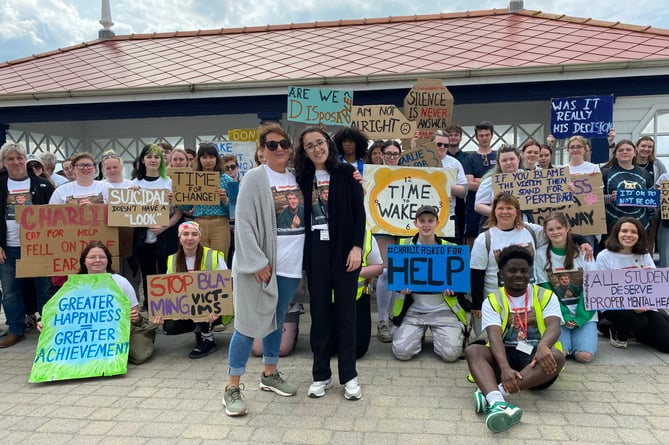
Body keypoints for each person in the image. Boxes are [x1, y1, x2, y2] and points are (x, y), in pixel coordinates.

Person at [223, 123, 302, 417]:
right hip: (261, 266)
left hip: (291, 266)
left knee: (276, 320)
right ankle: (232, 387)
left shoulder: (296, 177)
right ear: (261, 151)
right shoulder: (255, 179)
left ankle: (270, 374)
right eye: (272, 145)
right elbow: (242, 223)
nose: (279, 148)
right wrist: (256, 262)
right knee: (246, 325)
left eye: (283, 144)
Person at [295, 126, 365, 400]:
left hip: (345, 250)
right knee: (320, 313)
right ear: (304, 151)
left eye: (320, 142)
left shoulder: (347, 172)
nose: (316, 148)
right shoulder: (300, 177)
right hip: (315, 250)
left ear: (328, 144)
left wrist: (357, 247)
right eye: (310, 145)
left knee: (346, 314)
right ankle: (321, 374)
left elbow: (360, 213)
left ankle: (349, 376)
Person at [465, 245, 564, 433]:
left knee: (557, 356)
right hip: (505, 355)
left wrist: (544, 346)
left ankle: (494, 395)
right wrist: (503, 368)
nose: (519, 274)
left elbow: (554, 327)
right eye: (512, 270)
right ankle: (498, 401)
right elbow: (493, 336)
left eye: (524, 271)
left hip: (535, 358)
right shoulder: (492, 300)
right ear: (501, 274)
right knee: (473, 350)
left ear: (530, 273)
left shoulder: (545, 295)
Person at [390, 205, 467, 362]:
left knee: (451, 355)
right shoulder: (403, 247)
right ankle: (416, 335)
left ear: (437, 223)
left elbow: (460, 282)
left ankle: (450, 334)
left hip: (443, 310)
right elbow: (397, 278)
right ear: (415, 223)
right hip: (412, 311)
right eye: (422, 221)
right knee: (402, 353)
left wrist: (454, 290)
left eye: (430, 221)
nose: (426, 224)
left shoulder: (451, 249)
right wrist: (401, 290)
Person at [0, 142, 55, 348]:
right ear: (4, 162)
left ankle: (47, 325)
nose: (15, 162)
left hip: (38, 247)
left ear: (25, 159)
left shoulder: (42, 184)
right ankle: (16, 330)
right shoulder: (0, 184)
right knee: (11, 291)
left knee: (45, 289)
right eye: (10, 159)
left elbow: (57, 215)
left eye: (19, 158)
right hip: (9, 247)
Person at [154, 221, 228, 358]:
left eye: (194, 234)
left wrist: (219, 309)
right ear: (179, 237)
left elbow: (226, 286)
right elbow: (167, 290)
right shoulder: (173, 259)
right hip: (187, 305)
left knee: (203, 306)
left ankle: (208, 339)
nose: (189, 238)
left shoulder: (213, 256)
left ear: (200, 237)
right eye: (185, 234)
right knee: (169, 325)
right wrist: (161, 312)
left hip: (212, 306)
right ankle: (198, 329)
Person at [595, 217, 669, 352]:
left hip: (644, 306)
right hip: (615, 306)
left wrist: (647, 301)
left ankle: (638, 333)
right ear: (616, 233)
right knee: (636, 320)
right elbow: (602, 291)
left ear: (639, 235)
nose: (628, 235)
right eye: (624, 231)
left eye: (633, 232)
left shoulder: (644, 255)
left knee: (666, 343)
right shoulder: (604, 256)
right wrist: (631, 304)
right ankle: (615, 330)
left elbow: (656, 288)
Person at [77, 242, 154, 364]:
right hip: (86, 332)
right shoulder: (74, 285)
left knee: (140, 354)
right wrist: (45, 323)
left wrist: (136, 317)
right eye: (92, 257)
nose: (97, 260)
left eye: (102, 257)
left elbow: (136, 313)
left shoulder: (121, 282)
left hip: (117, 330)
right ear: (84, 261)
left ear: (108, 261)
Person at [535, 213, 597, 363]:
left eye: (559, 228)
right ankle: (566, 342)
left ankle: (579, 340)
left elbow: (593, 287)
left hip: (585, 314)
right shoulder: (540, 254)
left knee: (584, 356)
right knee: (559, 355)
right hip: (557, 315)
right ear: (546, 232)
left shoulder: (584, 252)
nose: (555, 232)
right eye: (551, 229)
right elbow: (545, 289)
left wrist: (581, 317)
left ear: (567, 228)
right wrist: (564, 316)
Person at [131, 144, 183, 310]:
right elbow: (127, 213)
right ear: (143, 160)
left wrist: (163, 226)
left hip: (165, 233)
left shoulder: (169, 182)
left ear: (161, 160)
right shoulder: (134, 184)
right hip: (142, 234)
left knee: (165, 270)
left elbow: (178, 213)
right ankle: (149, 303)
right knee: (146, 270)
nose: (153, 160)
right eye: (149, 157)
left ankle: (166, 304)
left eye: (156, 157)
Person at [373, 140, 404, 343]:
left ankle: (392, 317)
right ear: (381, 154)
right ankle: (382, 320)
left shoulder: (408, 173)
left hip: (404, 228)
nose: (392, 157)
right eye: (388, 153)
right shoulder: (373, 174)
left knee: (397, 273)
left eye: (395, 153)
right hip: (382, 226)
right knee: (385, 271)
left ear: (400, 155)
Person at [183, 142, 233, 255]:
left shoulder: (227, 179)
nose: (208, 160)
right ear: (199, 159)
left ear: (217, 159)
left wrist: (225, 199)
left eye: (211, 157)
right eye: (204, 157)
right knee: (201, 261)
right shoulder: (192, 178)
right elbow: (186, 206)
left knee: (219, 260)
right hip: (198, 224)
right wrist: (176, 198)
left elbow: (235, 210)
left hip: (220, 224)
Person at [601, 140, 653, 235]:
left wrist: (657, 198)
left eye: (628, 149)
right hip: (612, 226)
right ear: (615, 155)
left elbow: (651, 201)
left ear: (634, 153)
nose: (624, 152)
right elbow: (593, 199)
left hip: (640, 225)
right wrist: (610, 198)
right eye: (620, 150)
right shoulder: (605, 172)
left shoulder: (644, 173)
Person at [463, 121, 497, 248]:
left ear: (492, 135)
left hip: (495, 205)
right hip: (474, 206)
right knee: (473, 239)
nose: (484, 138)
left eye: (487, 135)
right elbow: (469, 184)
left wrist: (479, 180)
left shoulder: (498, 156)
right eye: (481, 135)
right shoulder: (469, 159)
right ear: (476, 137)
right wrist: (492, 182)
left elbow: (504, 181)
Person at [433, 130, 467, 244]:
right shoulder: (421, 162)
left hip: (448, 216)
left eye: (446, 145)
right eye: (439, 144)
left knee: (450, 252)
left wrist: (445, 185)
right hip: (423, 216)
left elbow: (464, 191)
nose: (442, 147)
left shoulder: (454, 163)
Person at [474, 144, 524, 220]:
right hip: (497, 224)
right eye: (504, 160)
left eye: (512, 159)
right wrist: (502, 214)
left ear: (518, 159)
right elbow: (478, 206)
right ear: (498, 163)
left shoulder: (528, 178)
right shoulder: (490, 181)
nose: (508, 163)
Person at [635, 136, 666, 252]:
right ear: (636, 148)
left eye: (650, 147)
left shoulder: (657, 164)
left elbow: (665, 185)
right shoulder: (629, 163)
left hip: (651, 211)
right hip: (631, 209)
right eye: (643, 146)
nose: (646, 149)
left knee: (648, 244)